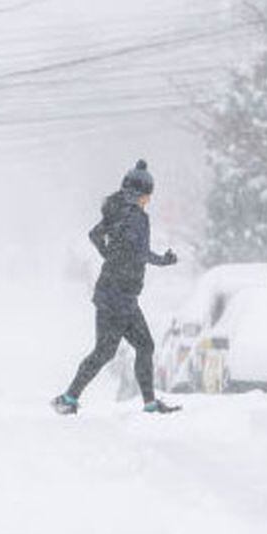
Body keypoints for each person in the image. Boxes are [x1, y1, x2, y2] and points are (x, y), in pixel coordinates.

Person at [52, 159, 180, 415]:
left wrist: (108, 253)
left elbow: (95, 235)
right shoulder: (137, 217)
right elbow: (139, 252)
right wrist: (163, 261)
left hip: (113, 292)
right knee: (123, 349)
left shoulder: (116, 210)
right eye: (148, 196)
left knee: (116, 350)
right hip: (120, 296)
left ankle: (72, 398)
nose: (148, 201)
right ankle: (70, 398)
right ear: (140, 194)